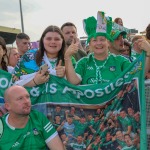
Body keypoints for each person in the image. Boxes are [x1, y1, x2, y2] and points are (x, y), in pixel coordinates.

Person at [64, 13, 131, 85]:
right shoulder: (83, 63)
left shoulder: (121, 61)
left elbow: (137, 75)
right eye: (94, 40)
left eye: (102, 39)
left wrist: (145, 53)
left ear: (108, 42)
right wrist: (67, 57)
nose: (99, 43)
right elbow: (73, 82)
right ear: (90, 44)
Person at [0, 85, 64, 150]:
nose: (26, 101)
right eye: (20, 98)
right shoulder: (1, 127)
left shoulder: (38, 117)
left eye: (27, 97)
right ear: (7, 106)